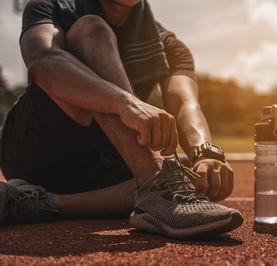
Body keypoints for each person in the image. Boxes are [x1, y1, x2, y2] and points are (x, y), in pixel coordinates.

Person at [0, 0, 243, 238]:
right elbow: (43, 62)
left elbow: (185, 104)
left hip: (109, 160)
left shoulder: (167, 44)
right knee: (91, 30)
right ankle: (155, 183)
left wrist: (206, 153)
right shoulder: (51, 6)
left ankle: (33, 202)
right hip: (39, 149)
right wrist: (126, 103)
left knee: (194, 178)